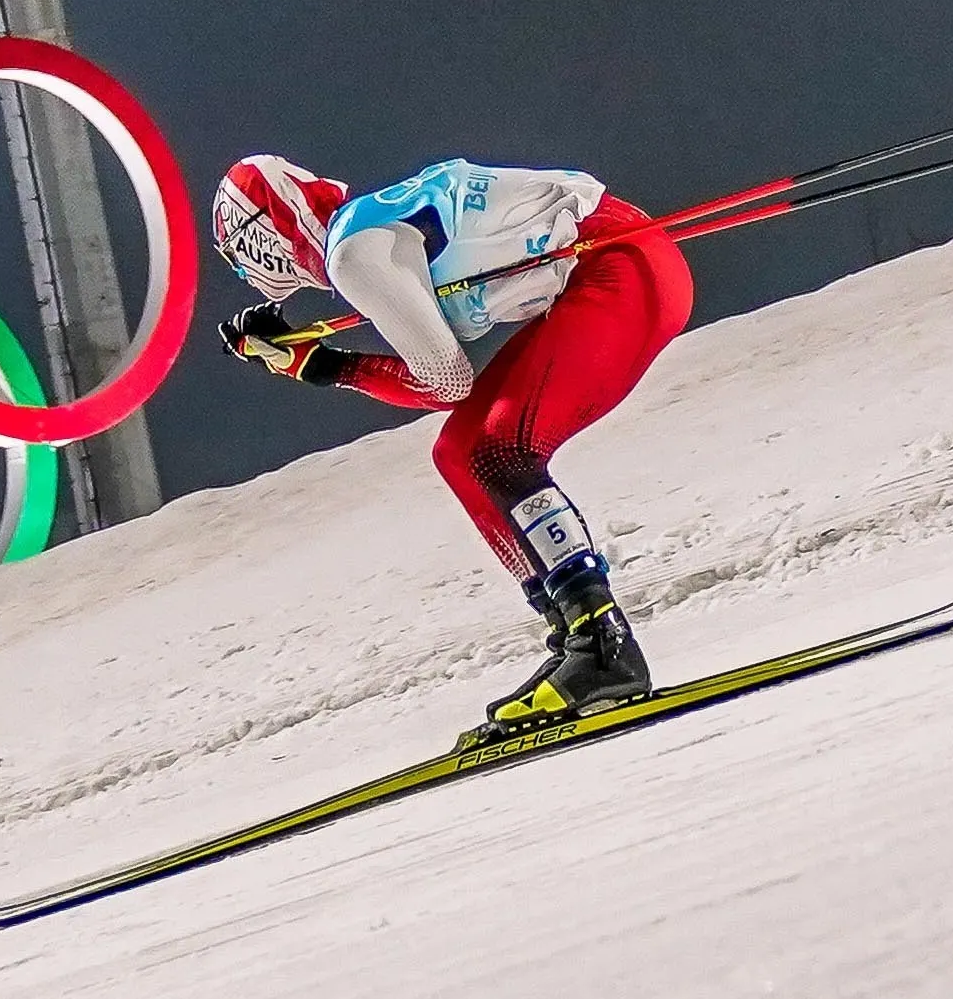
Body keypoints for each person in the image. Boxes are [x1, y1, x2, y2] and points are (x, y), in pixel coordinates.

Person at [209, 149, 695, 734]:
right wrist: (315, 360)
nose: (248, 278)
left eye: (239, 262)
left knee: (501, 450)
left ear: (262, 237)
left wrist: (330, 368)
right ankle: (576, 635)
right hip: (619, 264)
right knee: (461, 452)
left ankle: (600, 642)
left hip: (617, 267)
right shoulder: (362, 234)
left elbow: (446, 380)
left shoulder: (353, 251)